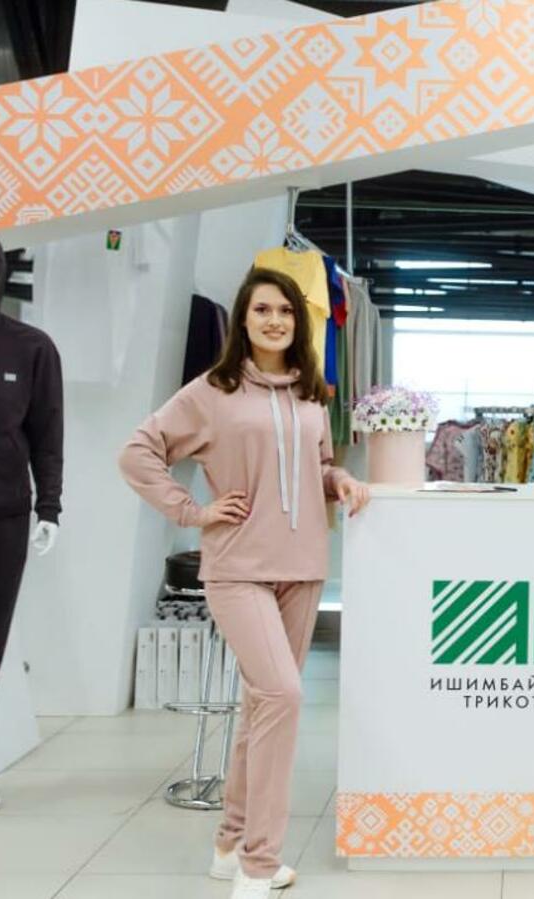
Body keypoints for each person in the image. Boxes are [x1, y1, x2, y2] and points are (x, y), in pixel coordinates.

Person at [119, 266, 368, 899]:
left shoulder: (312, 392)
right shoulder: (212, 390)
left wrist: (338, 480)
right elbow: (138, 452)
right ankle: (260, 864)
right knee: (283, 695)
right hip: (237, 569)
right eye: (262, 310)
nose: (274, 320)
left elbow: (317, 464)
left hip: (304, 566)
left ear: (298, 321)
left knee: (263, 707)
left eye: (285, 311)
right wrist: (191, 511)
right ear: (243, 319)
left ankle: (229, 843)